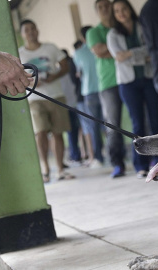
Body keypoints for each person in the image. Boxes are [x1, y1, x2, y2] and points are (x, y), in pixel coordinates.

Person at [107, 0, 158, 178]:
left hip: (149, 79)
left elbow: (151, 50)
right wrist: (140, 54)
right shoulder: (113, 34)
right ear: (114, 15)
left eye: (124, 9)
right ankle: (141, 165)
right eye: (117, 11)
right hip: (127, 83)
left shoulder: (142, 26)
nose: (121, 13)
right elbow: (120, 57)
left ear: (130, 9)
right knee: (137, 124)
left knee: (155, 121)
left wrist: (130, 54)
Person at [18, 19, 75, 182]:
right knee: (40, 132)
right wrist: (28, 81)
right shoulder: (19, 53)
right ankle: (45, 169)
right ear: (22, 34)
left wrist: (52, 77)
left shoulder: (50, 48)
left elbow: (65, 66)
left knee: (58, 132)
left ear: (37, 30)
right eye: (26, 30)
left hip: (56, 95)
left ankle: (60, 169)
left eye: (32, 29)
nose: (30, 32)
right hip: (34, 98)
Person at [87, 0, 127, 178]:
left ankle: (149, 159)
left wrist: (115, 49)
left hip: (128, 78)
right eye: (100, 7)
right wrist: (122, 50)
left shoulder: (122, 26)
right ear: (96, 11)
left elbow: (107, 50)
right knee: (112, 125)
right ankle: (117, 163)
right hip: (108, 83)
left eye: (107, 5)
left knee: (141, 118)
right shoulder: (93, 32)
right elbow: (99, 50)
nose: (105, 9)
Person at [74, 27, 105, 169]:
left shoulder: (78, 53)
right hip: (105, 88)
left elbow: (78, 73)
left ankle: (98, 158)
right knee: (110, 123)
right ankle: (117, 154)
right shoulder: (102, 46)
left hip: (88, 92)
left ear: (82, 38)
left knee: (94, 126)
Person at [60, 49, 82, 165]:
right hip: (73, 103)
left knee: (71, 132)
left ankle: (75, 155)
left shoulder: (62, 72)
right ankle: (76, 154)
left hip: (68, 105)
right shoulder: (71, 69)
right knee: (76, 131)